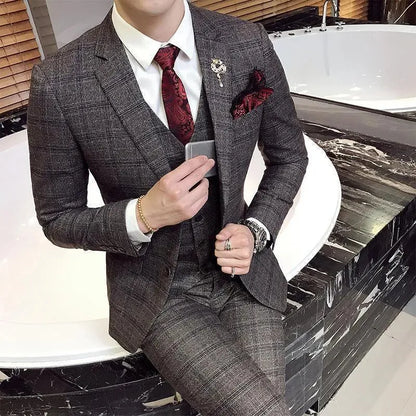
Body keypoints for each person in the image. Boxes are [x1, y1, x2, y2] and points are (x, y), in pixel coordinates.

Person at [27, 0, 308, 414]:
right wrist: (143, 215)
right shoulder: (60, 81)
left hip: (245, 273)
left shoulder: (246, 42)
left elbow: (290, 157)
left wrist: (256, 229)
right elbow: (57, 219)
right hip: (159, 293)